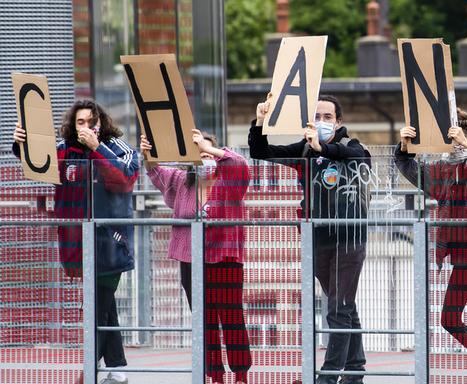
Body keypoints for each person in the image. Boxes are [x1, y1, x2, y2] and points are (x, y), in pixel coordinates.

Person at [12, 100, 139, 384]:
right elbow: (38, 163)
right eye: (79, 123)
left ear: (101, 123)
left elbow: (123, 179)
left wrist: (96, 148)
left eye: (90, 122)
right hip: (78, 244)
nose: (85, 128)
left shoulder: (119, 148)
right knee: (105, 307)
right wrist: (22, 143)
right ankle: (117, 370)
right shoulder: (62, 151)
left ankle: (89, 372)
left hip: (111, 244)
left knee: (98, 305)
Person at [248, 94, 371, 384]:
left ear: (339, 122)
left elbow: (359, 158)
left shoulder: (351, 146)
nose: (322, 121)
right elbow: (261, 152)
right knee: (344, 307)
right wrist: (260, 122)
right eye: (317, 117)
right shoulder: (304, 151)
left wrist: (324, 147)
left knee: (338, 309)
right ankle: (355, 372)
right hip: (319, 240)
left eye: (328, 117)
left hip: (349, 238)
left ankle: (327, 378)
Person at [394, 108, 467, 384]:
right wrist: (404, 147)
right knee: (449, 317)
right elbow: (411, 170)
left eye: (455, 138)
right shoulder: (443, 170)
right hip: (464, 255)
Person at [141, 129, 252, 383]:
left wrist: (210, 147)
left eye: (209, 154)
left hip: (224, 260)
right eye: (199, 154)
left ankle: (240, 374)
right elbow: (156, 172)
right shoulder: (183, 181)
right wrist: (148, 153)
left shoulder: (229, 180)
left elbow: (240, 163)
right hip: (191, 260)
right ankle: (214, 374)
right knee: (204, 320)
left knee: (232, 317)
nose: (205, 159)